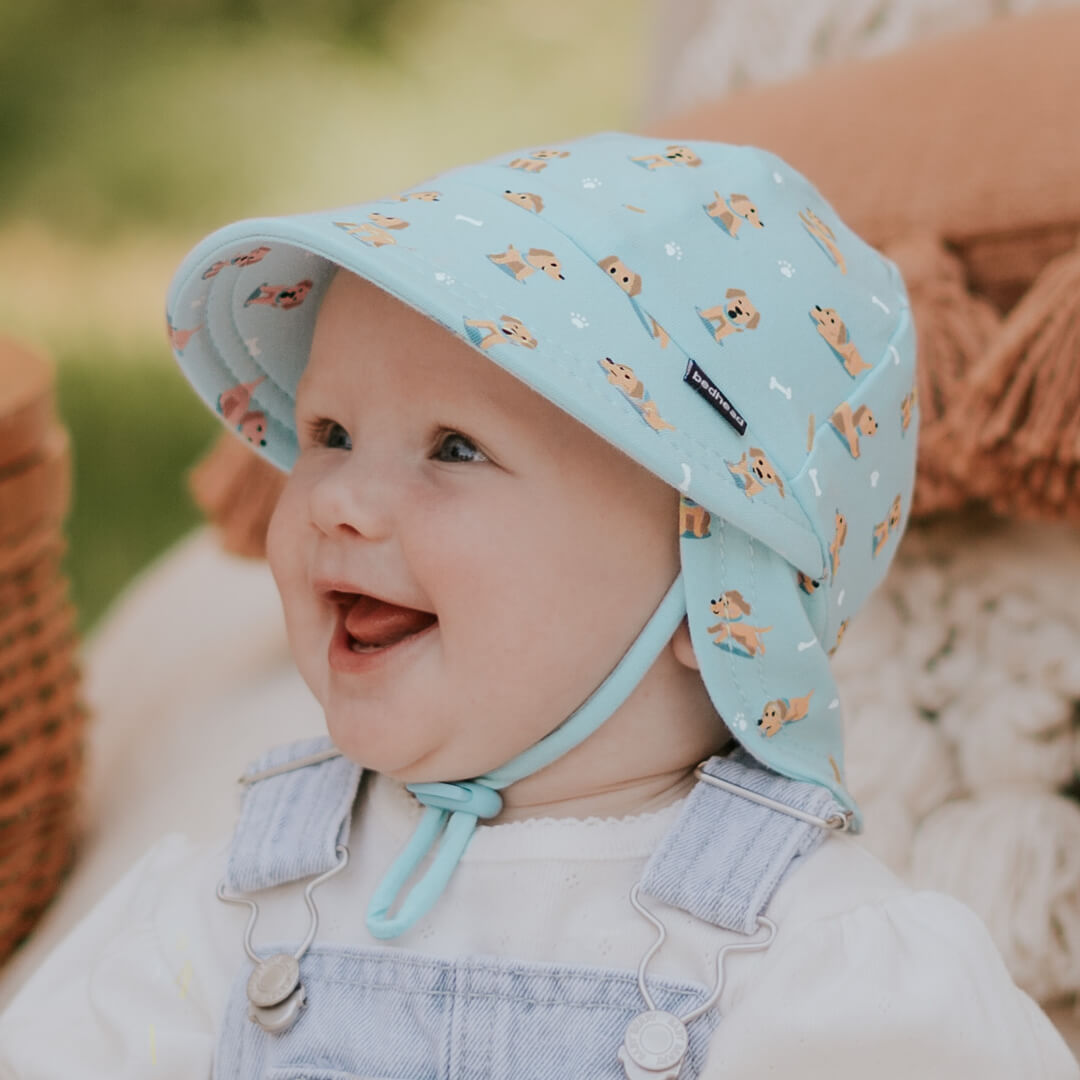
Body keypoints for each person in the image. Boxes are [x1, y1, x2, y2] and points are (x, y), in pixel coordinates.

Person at [1, 131, 1076, 1079]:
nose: (339, 502)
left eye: (454, 449)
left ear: (722, 590)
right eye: (328, 434)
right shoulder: (244, 902)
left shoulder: (807, 965)